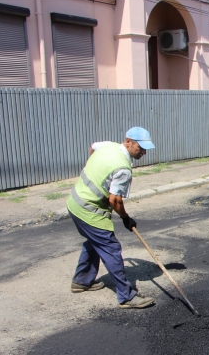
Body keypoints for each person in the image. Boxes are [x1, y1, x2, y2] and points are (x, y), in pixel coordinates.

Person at [66, 127, 156, 309]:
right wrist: (126, 218)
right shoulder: (123, 169)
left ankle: (81, 281)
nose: (144, 153)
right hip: (89, 210)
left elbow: (92, 147)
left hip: (74, 202)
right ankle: (127, 296)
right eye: (141, 148)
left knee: (94, 242)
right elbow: (115, 200)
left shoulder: (108, 146)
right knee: (110, 248)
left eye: (146, 149)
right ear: (128, 142)